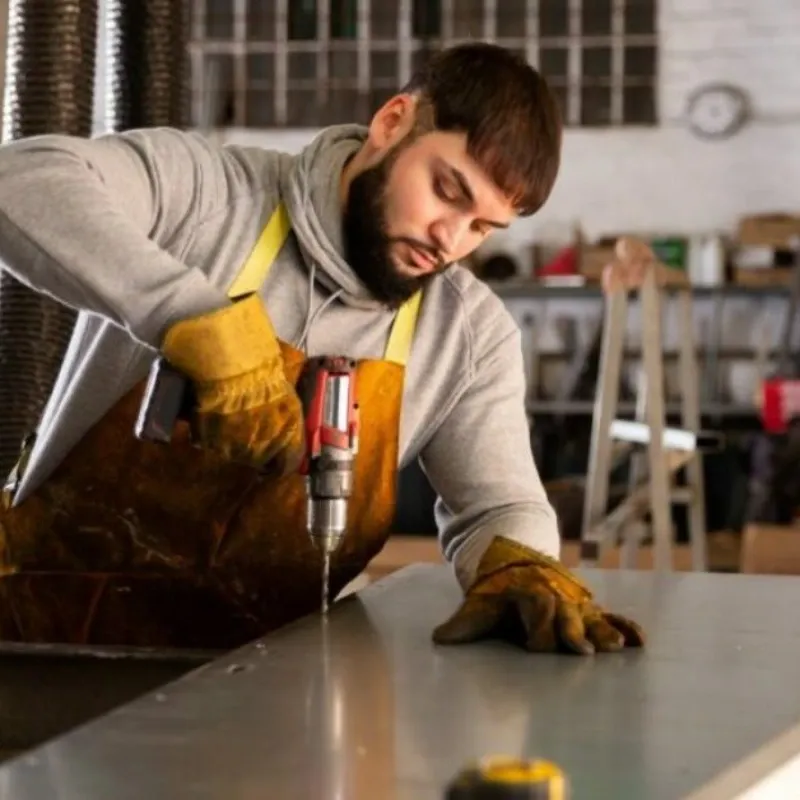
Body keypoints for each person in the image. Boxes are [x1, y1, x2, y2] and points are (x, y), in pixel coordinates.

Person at [0, 42, 645, 654]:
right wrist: (187, 315)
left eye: (483, 227)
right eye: (447, 190)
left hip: (265, 687)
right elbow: (19, 181)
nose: (450, 240)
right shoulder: (207, 198)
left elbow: (500, 504)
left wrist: (523, 564)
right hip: (46, 647)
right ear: (395, 122)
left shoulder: (466, 334)